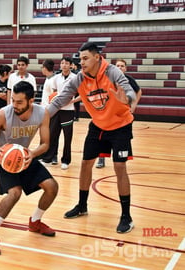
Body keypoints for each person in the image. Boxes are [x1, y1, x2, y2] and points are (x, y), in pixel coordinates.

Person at [48, 42, 137, 233]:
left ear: (97, 57)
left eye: (85, 58)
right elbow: (61, 99)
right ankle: (82, 205)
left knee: (119, 167)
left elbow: (128, 89)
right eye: (80, 59)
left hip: (120, 125)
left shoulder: (112, 72)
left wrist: (127, 99)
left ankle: (126, 216)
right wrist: (42, 116)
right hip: (98, 125)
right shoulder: (79, 79)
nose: (81, 62)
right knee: (86, 163)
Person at [0, 81, 58, 255]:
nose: (15, 105)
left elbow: (45, 144)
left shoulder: (42, 113)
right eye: (13, 100)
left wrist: (32, 155)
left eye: (19, 102)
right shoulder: (3, 114)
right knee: (15, 193)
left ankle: (35, 222)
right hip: (4, 159)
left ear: (30, 100)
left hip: (26, 156)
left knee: (52, 187)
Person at [96, 58, 142, 168]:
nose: (120, 67)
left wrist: (134, 105)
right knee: (102, 137)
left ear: (125, 68)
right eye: (118, 66)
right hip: (108, 112)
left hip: (122, 114)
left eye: (122, 66)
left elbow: (139, 91)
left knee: (122, 138)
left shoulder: (128, 80)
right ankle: (101, 159)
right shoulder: (108, 78)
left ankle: (122, 157)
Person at [42, 57, 77, 170]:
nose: (64, 65)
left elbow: (82, 93)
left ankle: (66, 160)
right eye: (62, 63)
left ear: (71, 65)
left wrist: (73, 100)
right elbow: (53, 93)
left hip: (68, 110)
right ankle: (48, 158)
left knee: (67, 137)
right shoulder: (56, 78)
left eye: (67, 63)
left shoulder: (75, 78)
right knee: (52, 134)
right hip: (56, 109)